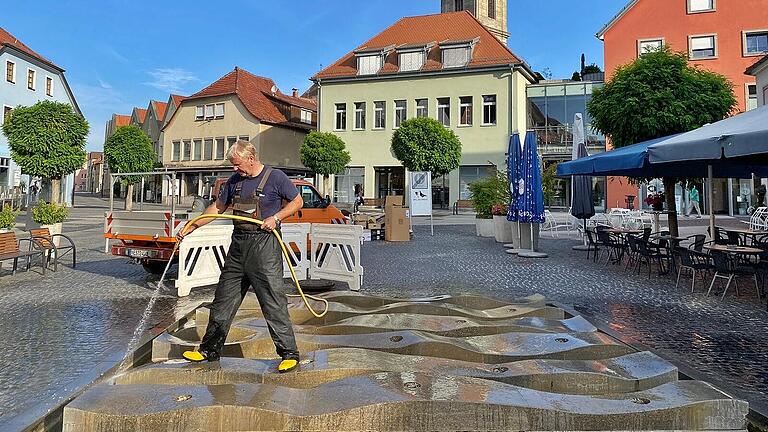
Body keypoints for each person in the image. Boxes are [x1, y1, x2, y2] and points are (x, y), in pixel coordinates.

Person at [178, 140, 304, 373]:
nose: (235, 169)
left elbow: (297, 202)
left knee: (272, 301)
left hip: (264, 245)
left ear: (251, 158)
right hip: (238, 247)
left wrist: (276, 218)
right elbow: (217, 208)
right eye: (233, 165)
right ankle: (209, 350)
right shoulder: (234, 181)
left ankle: (289, 353)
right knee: (223, 300)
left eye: (237, 164)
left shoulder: (275, 177)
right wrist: (193, 225)